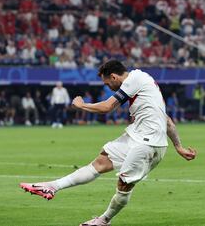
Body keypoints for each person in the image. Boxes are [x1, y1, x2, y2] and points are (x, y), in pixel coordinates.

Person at [20, 60, 197, 226]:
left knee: (124, 185)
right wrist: (178, 146)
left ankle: (104, 220)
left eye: (107, 84)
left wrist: (82, 105)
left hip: (148, 144)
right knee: (100, 162)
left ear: (114, 77)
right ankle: (52, 186)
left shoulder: (133, 79)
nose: (108, 87)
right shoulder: (147, 85)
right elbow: (167, 121)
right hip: (137, 136)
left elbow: (107, 107)